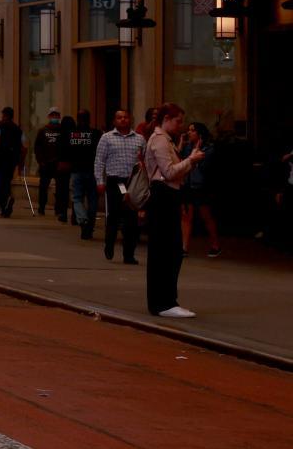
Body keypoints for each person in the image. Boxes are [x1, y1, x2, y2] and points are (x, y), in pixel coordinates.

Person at [144, 103, 202, 318]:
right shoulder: (160, 140)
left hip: (167, 196)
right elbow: (168, 173)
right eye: (178, 121)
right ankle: (164, 302)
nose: (181, 125)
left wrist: (189, 162)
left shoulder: (165, 140)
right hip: (163, 196)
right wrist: (190, 160)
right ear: (167, 118)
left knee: (169, 250)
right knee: (167, 250)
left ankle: (166, 301)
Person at [94, 109, 144, 264]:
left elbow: (146, 160)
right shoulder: (106, 138)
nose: (123, 120)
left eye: (125, 117)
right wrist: (99, 181)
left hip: (133, 183)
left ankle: (129, 254)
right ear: (114, 121)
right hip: (115, 181)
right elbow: (99, 161)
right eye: (119, 118)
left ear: (130, 119)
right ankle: (109, 244)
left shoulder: (140, 139)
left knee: (131, 220)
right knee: (114, 217)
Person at [179, 122, 220, 259]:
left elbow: (203, 165)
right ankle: (184, 247)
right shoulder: (187, 147)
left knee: (206, 215)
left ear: (199, 134)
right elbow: (182, 161)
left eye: (192, 131)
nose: (189, 133)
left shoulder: (209, 148)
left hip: (201, 186)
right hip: (188, 184)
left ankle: (215, 244)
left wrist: (195, 154)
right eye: (189, 130)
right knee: (186, 216)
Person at [65, 110, 100, 238]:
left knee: (77, 198)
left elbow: (66, 151)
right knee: (92, 199)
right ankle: (89, 226)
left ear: (78, 119)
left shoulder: (71, 134)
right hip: (92, 170)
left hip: (76, 170)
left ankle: (83, 219)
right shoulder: (95, 134)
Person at [0, 107, 26, 217]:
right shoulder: (18, 129)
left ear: (4, 115)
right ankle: (5, 203)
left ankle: (3, 204)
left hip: (0, 158)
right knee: (7, 181)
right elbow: (24, 147)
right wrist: (21, 162)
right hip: (12, 160)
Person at [33, 109, 66, 220]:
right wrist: (40, 161)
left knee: (60, 188)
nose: (55, 117)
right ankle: (41, 207)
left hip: (58, 164)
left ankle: (59, 209)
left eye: (57, 115)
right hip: (45, 164)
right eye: (53, 115)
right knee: (43, 187)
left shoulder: (63, 130)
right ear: (49, 116)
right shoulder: (43, 130)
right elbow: (37, 147)